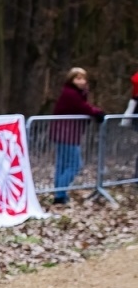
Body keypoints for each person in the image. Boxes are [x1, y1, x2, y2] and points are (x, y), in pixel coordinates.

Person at [49, 67, 106, 204]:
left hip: (66, 132)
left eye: (83, 78)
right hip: (66, 133)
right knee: (75, 165)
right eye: (78, 78)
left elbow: (82, 105)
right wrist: (97, 112)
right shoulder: (70, 93)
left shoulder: (76, 93)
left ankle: (59, 194)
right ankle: (60, 193)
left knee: (63, 165)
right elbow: (82, 107)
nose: (81, 81)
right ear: (71, 80)